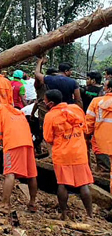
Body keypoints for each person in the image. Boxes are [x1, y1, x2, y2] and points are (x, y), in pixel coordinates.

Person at [44, 89, 93, 219]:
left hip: (62, 154)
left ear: (51, 103)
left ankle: (64, 214)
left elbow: (48, 138)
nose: (44, 102)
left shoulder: (50, 116)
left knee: (62, 184)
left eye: (45, 100)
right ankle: (90, 214)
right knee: (83, 184)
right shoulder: (76, 109)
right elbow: (85, 129)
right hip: (79, 152)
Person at [0, 102, 38, 212]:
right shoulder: (17, 112)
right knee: (32, 174)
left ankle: (4, 204)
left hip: (13, 143)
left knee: (9, 172)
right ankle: (32, 203)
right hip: (27, 142)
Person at [86, 80, 112, 186]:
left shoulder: (96, 102)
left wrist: (86, 136)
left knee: (104, 170)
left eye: (104, 86)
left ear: (109, 89)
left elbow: (89, 123)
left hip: (102, 144)